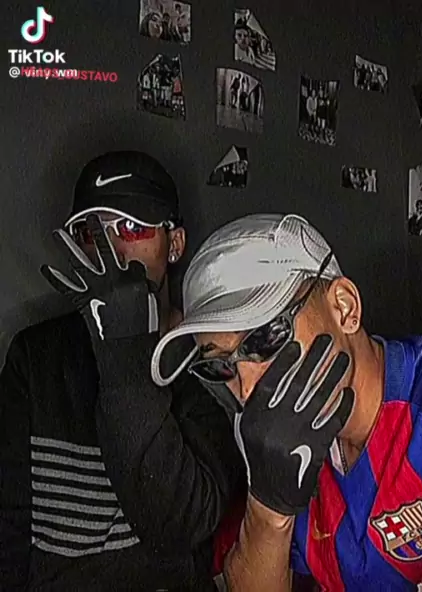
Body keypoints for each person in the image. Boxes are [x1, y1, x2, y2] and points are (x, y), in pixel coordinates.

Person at [151, 212, 422, 591]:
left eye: (265, 339)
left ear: (344, 308)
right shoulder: (288, 459)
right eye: (221, 366)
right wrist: (269, 509)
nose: (248, 388)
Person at [0, 150, 243, 591]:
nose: (111, 249)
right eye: (90, 233)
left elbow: (182, 526)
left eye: (132, 228)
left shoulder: (209, 360)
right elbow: (9, 526)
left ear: (174, 244)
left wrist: (125, 360)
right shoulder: (36, 358)